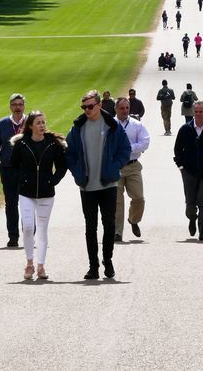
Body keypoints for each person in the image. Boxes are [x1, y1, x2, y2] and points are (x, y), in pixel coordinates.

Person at [65, 90, 131, 280]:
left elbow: (125, 150)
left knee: (109, 224)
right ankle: (93, 266)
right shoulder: (78, 127)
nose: (87, 110)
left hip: (108, 183)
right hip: (87, 186)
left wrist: (115, 167)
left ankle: (107, 260)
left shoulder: (112, 125)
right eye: (84, 107)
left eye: (90, 106)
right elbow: (69, 154)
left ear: (100, 105)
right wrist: (77, 172)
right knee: (90, 227)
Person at [10, 110, 67, 281]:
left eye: (43, 122)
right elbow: (13, 166)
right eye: (38, 123)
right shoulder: (22, 144)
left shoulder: (53, 144)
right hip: (26, 193)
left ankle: (41, 266)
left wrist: (52, 181)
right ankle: (29, 263)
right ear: (30, 126)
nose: (42, 126)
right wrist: (23, 180)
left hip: (46, 193)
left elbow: (62, 166)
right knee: (28, 227)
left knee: (42, 229)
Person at [173, 101, 203, 242]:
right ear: (193, 113)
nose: (199, 114)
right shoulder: (185, 129)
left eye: (201, 111)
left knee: (202, 199)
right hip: (189, 172)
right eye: (196, 112)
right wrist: (181, 166)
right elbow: (177, 149)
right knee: (190, 202)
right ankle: (192, 218)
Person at [0, 94, 27, 248]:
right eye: (14, 104)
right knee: (10, 204)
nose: (17, 107)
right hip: (8, 169)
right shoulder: (3, 124)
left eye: (20, 104)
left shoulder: (31, 122)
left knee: (28, 203)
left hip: (27, 170)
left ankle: (29, 234)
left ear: (24, 106)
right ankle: (13, 236)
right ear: (10, 106)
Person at [113, 97, 151, 242]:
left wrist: (128, 149)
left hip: (133, 165)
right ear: (116, 109)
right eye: (122, 108)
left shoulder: (136, 125)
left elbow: (145, 142)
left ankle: (133, 220)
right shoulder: (110, 124)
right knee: (117, 201)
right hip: (116, 167)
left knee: (138, 198)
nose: (125, 111)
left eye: (127, 108)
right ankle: (117, 232)